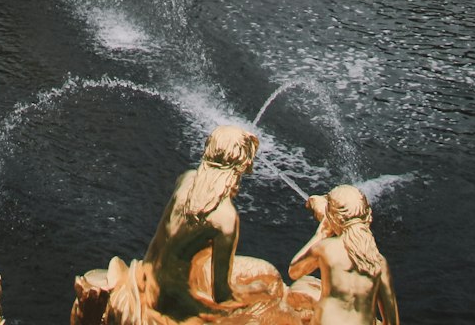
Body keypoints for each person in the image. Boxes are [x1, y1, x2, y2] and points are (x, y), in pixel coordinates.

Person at [141, 126, 260, 318]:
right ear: (241, 166)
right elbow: (221, 294)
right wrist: (252, 297)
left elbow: (165, 239)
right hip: (173, 302)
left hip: (148, 281)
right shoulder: (226, 218)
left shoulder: (186, 179)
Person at [288, 184, 399, 325]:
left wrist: (322, 232)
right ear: (367, 216)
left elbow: (294, 271)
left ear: (334, 219)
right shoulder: (378, 261)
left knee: (304, 285)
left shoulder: (325, 248)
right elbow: (392, 322)